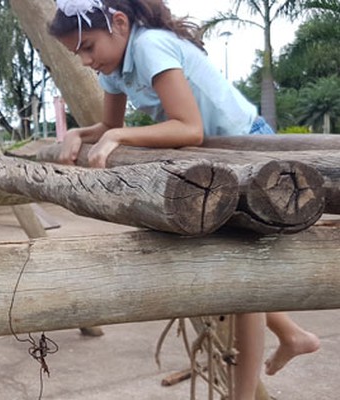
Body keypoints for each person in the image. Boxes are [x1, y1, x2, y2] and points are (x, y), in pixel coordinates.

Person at [48, 0, 318, 397]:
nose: (86, 60)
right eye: (78, 53)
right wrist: (78, 134)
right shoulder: (114, 69)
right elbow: (110, 124)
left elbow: (188, 127)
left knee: (243, 283)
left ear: (119, 24)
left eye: (88, 46)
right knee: (237, 275)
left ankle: (251, 385)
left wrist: (118, 137)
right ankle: (292, 336)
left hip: (249, 150)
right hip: (216, 160)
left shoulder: (149, 45)